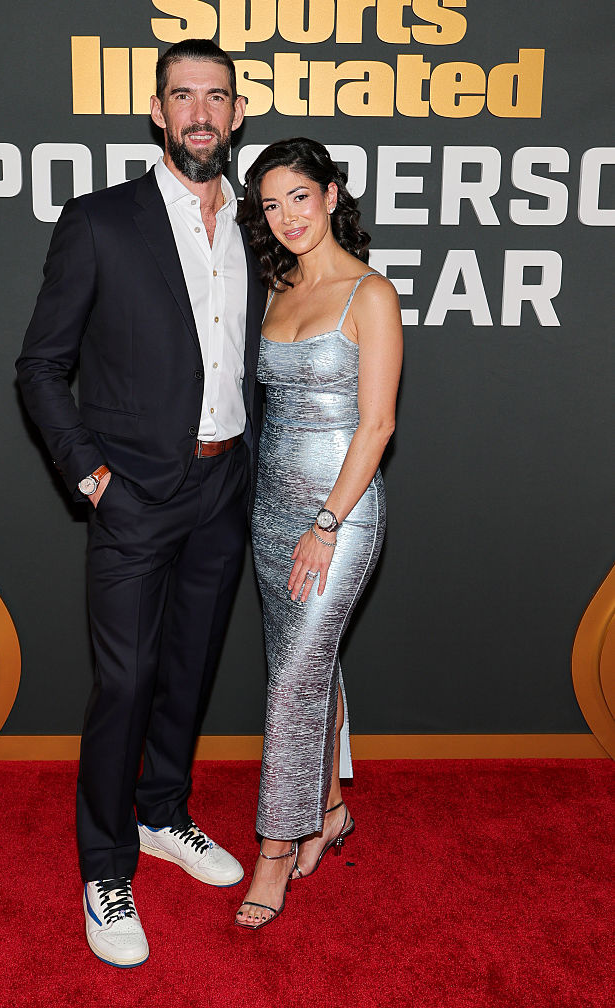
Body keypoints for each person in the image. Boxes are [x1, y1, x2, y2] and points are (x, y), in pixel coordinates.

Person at [16, 39, 265, 966]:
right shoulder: (100, 221)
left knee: (189, 667)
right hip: (133, 493)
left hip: (224, 484)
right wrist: (92, 477)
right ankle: (104, 866)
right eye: (182, 95)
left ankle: (162, 814)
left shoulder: (260, 226)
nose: (200, 112)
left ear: (237, 113)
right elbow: (41, 366)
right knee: (124, 681)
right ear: (157, 112)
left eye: (217, 96)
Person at [234, 138, 403, 929]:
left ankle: (275, 846)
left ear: (331, 194)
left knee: (292, 679)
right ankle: (329, 807)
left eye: (298, 197)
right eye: (270, 205)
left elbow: (377, 426)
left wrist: (326, 523)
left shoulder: (370, 294)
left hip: (340, 514)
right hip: (269, 511)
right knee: (306, 666)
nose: (286, 216)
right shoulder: (276, 288)